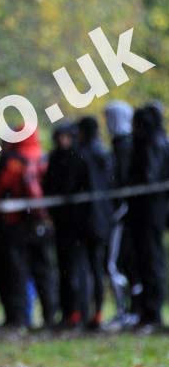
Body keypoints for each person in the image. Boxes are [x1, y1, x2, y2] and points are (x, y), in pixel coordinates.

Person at [0, 129, 57, 328]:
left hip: (14, 225)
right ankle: (50, 315)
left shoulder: (12, 161)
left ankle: (18, 318)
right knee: (44, 272)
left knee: (16, 272)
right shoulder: (44, 158)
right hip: (42, 224)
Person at [127, 102, 169, 330]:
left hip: (150, 212)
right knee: (148, 260)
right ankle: (148, 311)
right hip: (151, 212)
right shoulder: (158, 141)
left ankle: (152, 312)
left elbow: (148, 178)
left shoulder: (152, 143)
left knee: (151, 261)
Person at [75, 116, 114, 329]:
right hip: (102, 220)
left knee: (83, 267)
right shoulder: (104, 154)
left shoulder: (81, 154)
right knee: (97, 267)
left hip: (83, 220)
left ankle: (84, 311)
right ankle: (97, 311)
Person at [42, 122, 83, 326]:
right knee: (63, 269)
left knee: (76, 269)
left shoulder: (78, 158)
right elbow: (49, 185)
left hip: (76, 223)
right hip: (60, 223)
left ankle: (78, 311)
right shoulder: (54, 158)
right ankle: (66, 311)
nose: (62, 141)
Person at [103, 101, 139, 328]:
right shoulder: (121, 146)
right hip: (120, 215)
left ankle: (126, 311)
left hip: (121, 217)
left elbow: (123, 182)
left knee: (116, 264)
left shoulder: (125, 147)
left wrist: (118, 210)